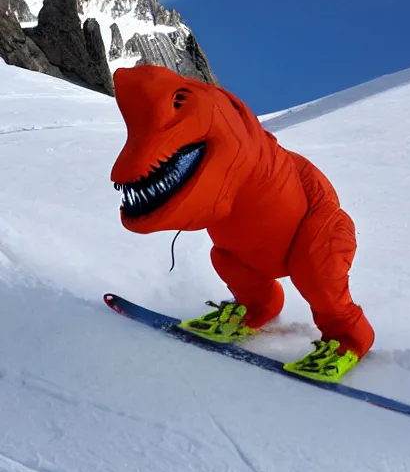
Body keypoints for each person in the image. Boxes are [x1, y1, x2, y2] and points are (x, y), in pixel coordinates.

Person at [110, 65, 374, 383]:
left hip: (312, 229)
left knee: (317, 273)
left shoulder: (232, 130)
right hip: (250, 245)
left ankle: (349, 339)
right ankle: (256, 306)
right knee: (224, 257)